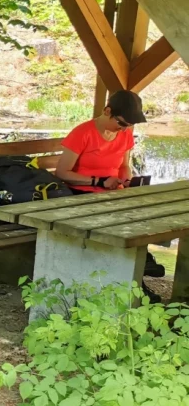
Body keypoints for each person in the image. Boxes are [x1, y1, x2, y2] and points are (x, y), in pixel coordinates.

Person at [54, 89, 164, 277]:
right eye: (121, 123)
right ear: (107, 111)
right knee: (119, 220)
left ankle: (142, 262)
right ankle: (140, 273)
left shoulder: (125, 134)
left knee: (146, 212)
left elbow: (123, 166)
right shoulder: (83, 133)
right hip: (81, 192)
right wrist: (98, 181)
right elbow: (62, 173)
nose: (123, 129)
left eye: (128, 126)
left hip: (113, 192)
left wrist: (128, 181)